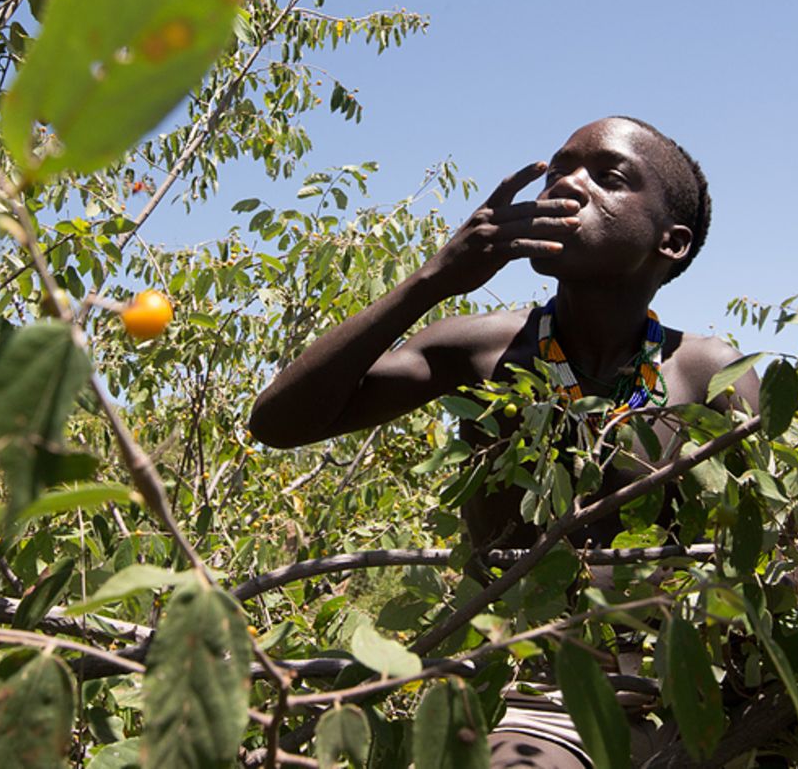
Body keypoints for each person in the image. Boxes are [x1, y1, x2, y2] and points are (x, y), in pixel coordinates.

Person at [249, 116, 759, 768]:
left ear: (672, 241)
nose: (567, 184)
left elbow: (755, 554)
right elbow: (278, 422)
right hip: (521, 695)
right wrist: (432, 280)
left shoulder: (710, 373)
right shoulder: (483, 350)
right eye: (559, 169)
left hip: (670, 698)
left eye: (608, 177)